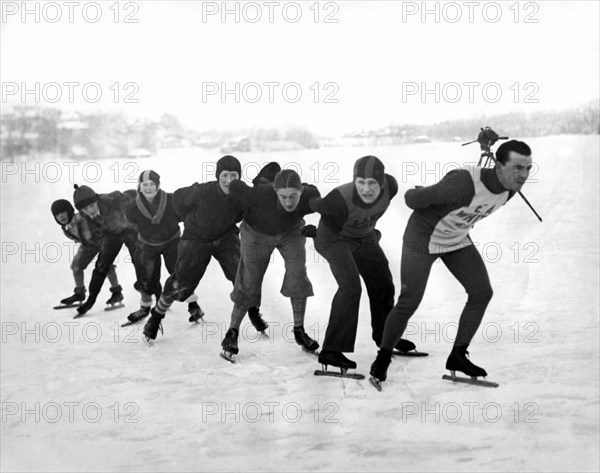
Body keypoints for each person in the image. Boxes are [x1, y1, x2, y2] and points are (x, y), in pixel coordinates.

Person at [369, 140, 533, 387]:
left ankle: (458, 356)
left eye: (528, 168)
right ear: (498, 166)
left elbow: (474, 210)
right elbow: (412, 200)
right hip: (422, 238)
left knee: (481, 292)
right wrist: (427, 192)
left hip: (455, 239)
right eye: (517, 167)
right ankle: (382, 359)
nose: (523, 175)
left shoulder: (510, 190)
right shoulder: (462, 182)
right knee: (409, 300)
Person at [309, 155, 415, 372]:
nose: (366, 189)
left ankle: (385, 337)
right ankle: (331, 350)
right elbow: (314, 203)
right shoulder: (339, 198)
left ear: (383, 182)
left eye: (372, 183)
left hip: (363, 237)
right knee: (350, 287)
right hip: (333, 239)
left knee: (383, 283)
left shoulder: (391, 187)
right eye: (361, 183)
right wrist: (307, 193)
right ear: (354, 181)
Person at [142, 155, 249, 341]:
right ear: (218, 175)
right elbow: (176, 200)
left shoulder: (242, 194)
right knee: (181, 283)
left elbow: (249, 210)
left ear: (239, 176)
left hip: (225, 237)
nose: (229, 180)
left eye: (234, 175)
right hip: (196, 239)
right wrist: (191, 221)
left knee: (241, 274)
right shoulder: (201, 191)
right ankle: (156, 317)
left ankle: (253, 313)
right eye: (224, 175)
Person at [220, 168, 320, 360]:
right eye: (283, 197)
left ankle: (299, 330)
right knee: (249, 278)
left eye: (293, 196)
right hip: (256, 231)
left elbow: (331, 212)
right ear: (275, 191)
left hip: (290, 231)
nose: (289, 202)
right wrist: (229, 180)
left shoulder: (310, 196)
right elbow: (235, 187)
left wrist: (320, 232)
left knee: (297, 272)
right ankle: (232, 333)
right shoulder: (259, 195)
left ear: (301, 191)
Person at [124, 170, 201, 325]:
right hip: (147, 244)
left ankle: (193, 305)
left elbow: (185, 215)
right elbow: (130, 222)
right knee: (146, 276)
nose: (148, 187)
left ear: (158, 185)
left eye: (152, 184)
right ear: (140, 186)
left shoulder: (171, 200)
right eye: (145, 184)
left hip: (171, 241)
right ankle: (145, 308)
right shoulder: (133, 207)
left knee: (179, 272)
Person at [72, 184, 143, 315]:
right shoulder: (84, 214)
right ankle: (91, 300)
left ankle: (155, 295)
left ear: (97, 201)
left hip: (130, 231)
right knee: (101, 266)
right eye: (86, 208)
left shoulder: (113, 200)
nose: (90, 210)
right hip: (112, 234)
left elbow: (133, 194)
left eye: (92, 206)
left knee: (139, 262)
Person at [50, 199, 122, 307]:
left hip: (103, 242)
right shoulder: (66, 227)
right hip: (88, 246)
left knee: (105, 266)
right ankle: (79, 293)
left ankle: (117, 292)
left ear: (69, 211)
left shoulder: (82, 218)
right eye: (57, 215)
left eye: (63, 212)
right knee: (76, 266)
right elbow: (82, 239)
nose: (61, 216)